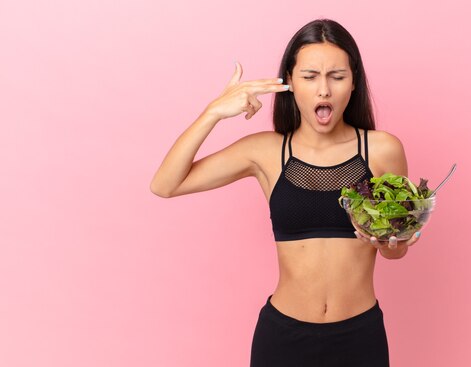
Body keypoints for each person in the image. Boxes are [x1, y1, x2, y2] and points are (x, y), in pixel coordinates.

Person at [150, 18, 421, 367]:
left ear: (353, 82)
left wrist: (389, 243)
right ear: (290, 82)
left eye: (336, 77)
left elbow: (394, 250)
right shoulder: (265, 151)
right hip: (283, 340)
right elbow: (165, 184)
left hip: (360, 337)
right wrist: (213, 112)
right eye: (309, 77)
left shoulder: (382, 150)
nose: (323, 90)